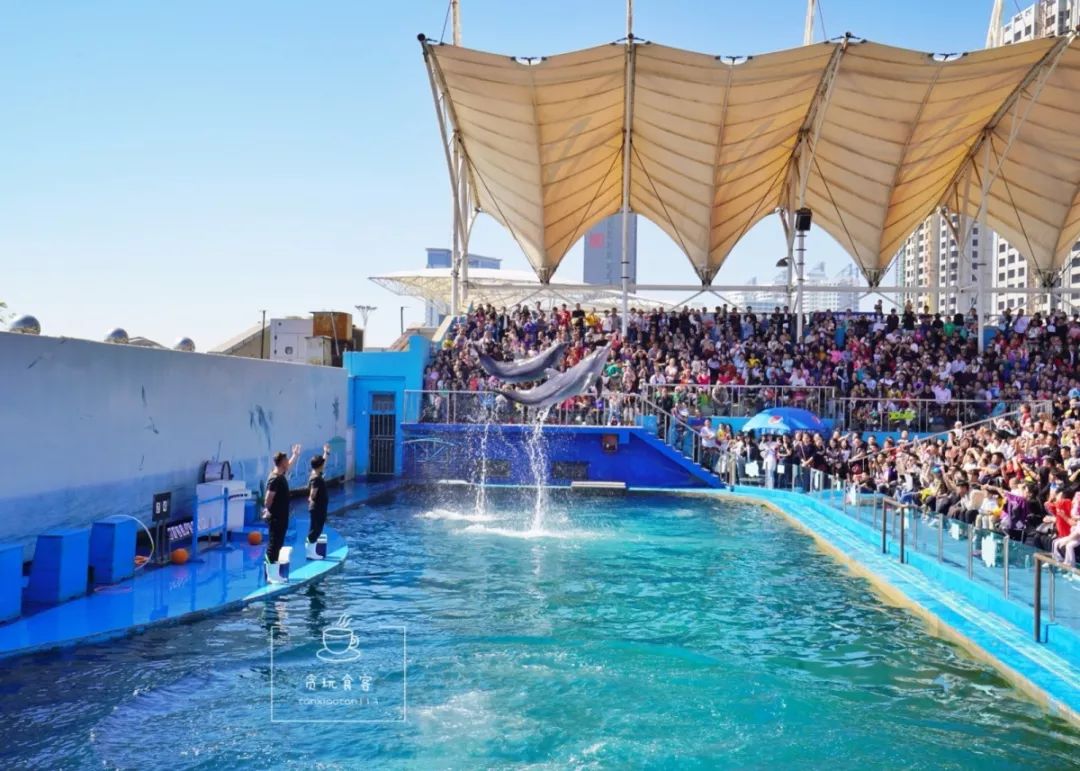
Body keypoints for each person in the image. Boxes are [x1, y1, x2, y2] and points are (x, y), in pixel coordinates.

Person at [263, 444, 301, 580]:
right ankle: (270, 574)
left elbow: (289, 466)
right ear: (281, 463)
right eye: (286, 460)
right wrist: (267, 510)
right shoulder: (274, 479)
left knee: (278, 543)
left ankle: (273, 571)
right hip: (276, 517)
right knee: (274, 544)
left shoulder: (280, 474)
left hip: (282, 516)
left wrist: (295, 455)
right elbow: (268, 498)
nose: (287, 463)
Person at [306, 444, 331, 559]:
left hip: (320, 507)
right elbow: (312, 493)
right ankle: (310, 552)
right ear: (319, 466)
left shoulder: (316, 473)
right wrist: (311, 497)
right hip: (316, 507)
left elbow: (323, 463)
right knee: (315, 529)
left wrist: (326, 452)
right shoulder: (316, 478)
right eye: (322, 463)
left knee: (318, 527)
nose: (323, 465)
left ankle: (312, 551)